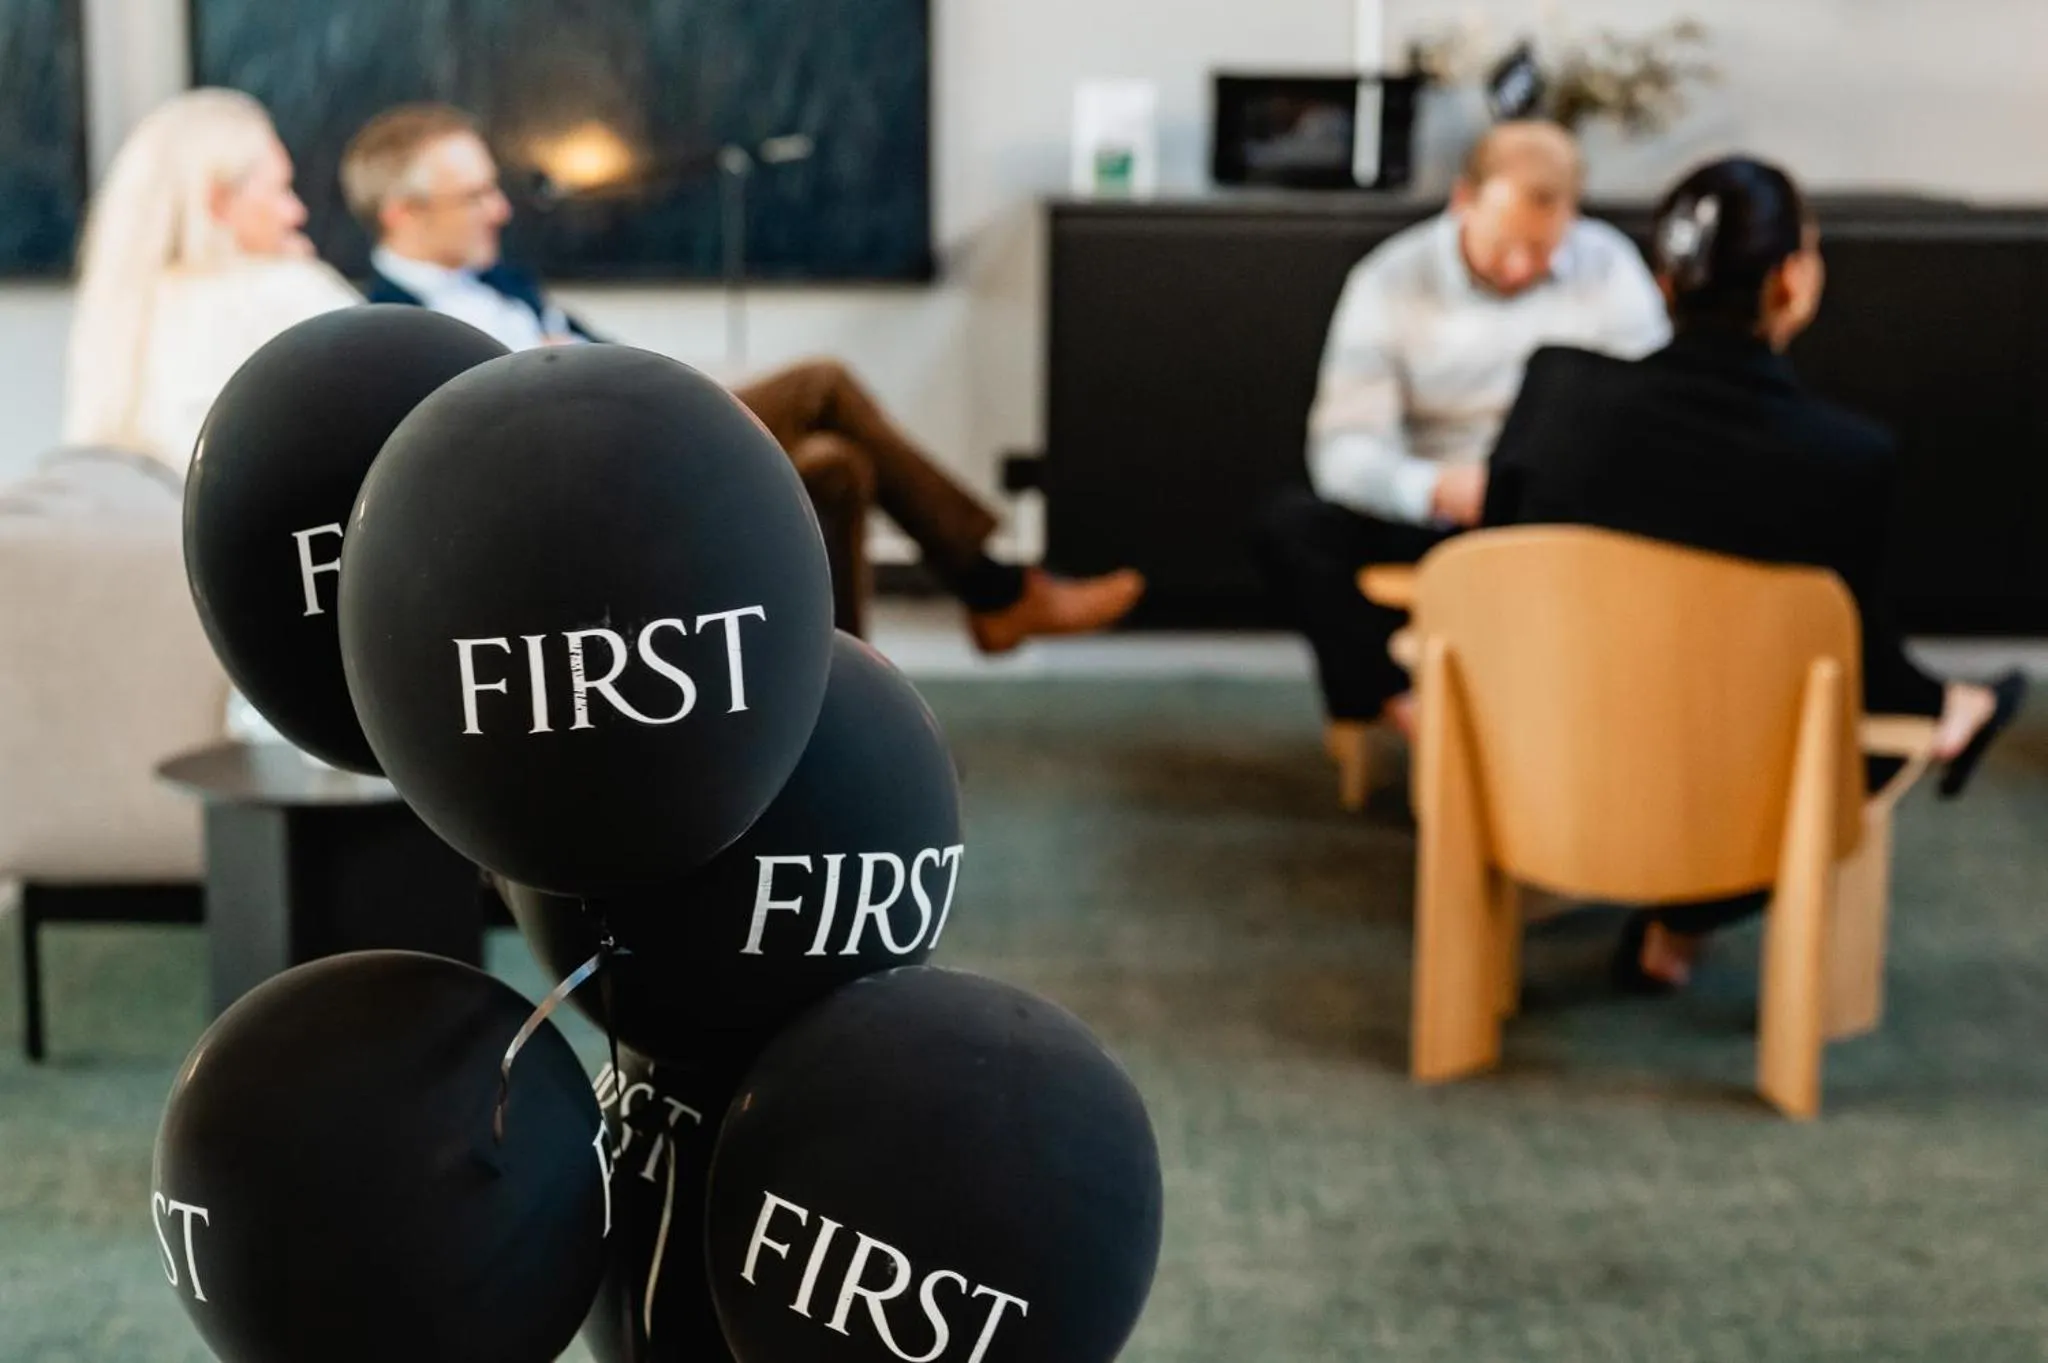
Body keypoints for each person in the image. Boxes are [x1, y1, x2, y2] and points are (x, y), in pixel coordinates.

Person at [1481, 155, 2028, 990]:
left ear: (1664, 281)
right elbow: (1858, 674)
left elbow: (1491, 573)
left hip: (1541, 773)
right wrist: (1934, 700)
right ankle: (1680, 926)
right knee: (1864, 725)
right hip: (1730, 811)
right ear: (1793, 281)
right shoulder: (1846, 457)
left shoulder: (1553, 389)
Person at [338, 103, 1144, 652]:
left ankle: (839, 692)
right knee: (822, 383)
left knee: (834, 465)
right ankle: (996, 589)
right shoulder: (395, 329)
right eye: (475, 195)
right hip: (584, 483)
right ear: (404, 213)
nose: (500, 209)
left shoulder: (503, 283)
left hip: (636, 429)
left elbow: (611, 357)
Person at [1256, 120, 1670, 734]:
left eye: (1543, 249)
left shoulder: (1610, 269)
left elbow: (1654, 416)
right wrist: (1434, 489)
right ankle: (1410, 713)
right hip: (1433, 509)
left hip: (1558, 513)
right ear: (1463, 202)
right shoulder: (1388, 280)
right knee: (1292, 527)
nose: (1521, 266)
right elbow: (1343, 450)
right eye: (1505, 245)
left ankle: (1611, 718)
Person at [64, 89, 360, 476]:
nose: (296, 212)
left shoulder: (118, 315)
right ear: (218, 201)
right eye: (281, 189)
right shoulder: (286, 291)